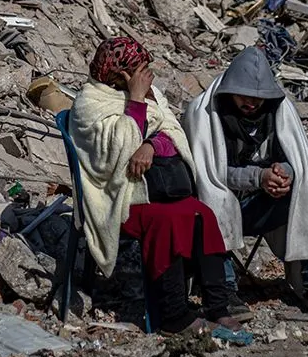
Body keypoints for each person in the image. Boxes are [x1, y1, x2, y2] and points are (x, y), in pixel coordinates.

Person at [68, 37, 240, 334]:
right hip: (118, 195)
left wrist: (150, 145)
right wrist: (134, 101)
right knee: (169, 221)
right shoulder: (89, 104)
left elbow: (171, 131)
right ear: (120, 75)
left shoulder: (152, 95)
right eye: (141, 71)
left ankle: (218, 306)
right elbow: (112, 159)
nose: (149, 78)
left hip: (157, 189)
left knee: (202, 214)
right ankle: (174, 315)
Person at [183, 47, 308, 317]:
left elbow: (296, 157)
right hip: (220, 205)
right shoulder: (205, 114)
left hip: (259, 203)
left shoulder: (278, 110)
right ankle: (224, 289)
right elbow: (208, 174)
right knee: (212, 205)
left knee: (307, 192)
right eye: (244, 96)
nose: (251, 103)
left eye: (257, 98)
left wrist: (285, 173)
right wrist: (258, 177)